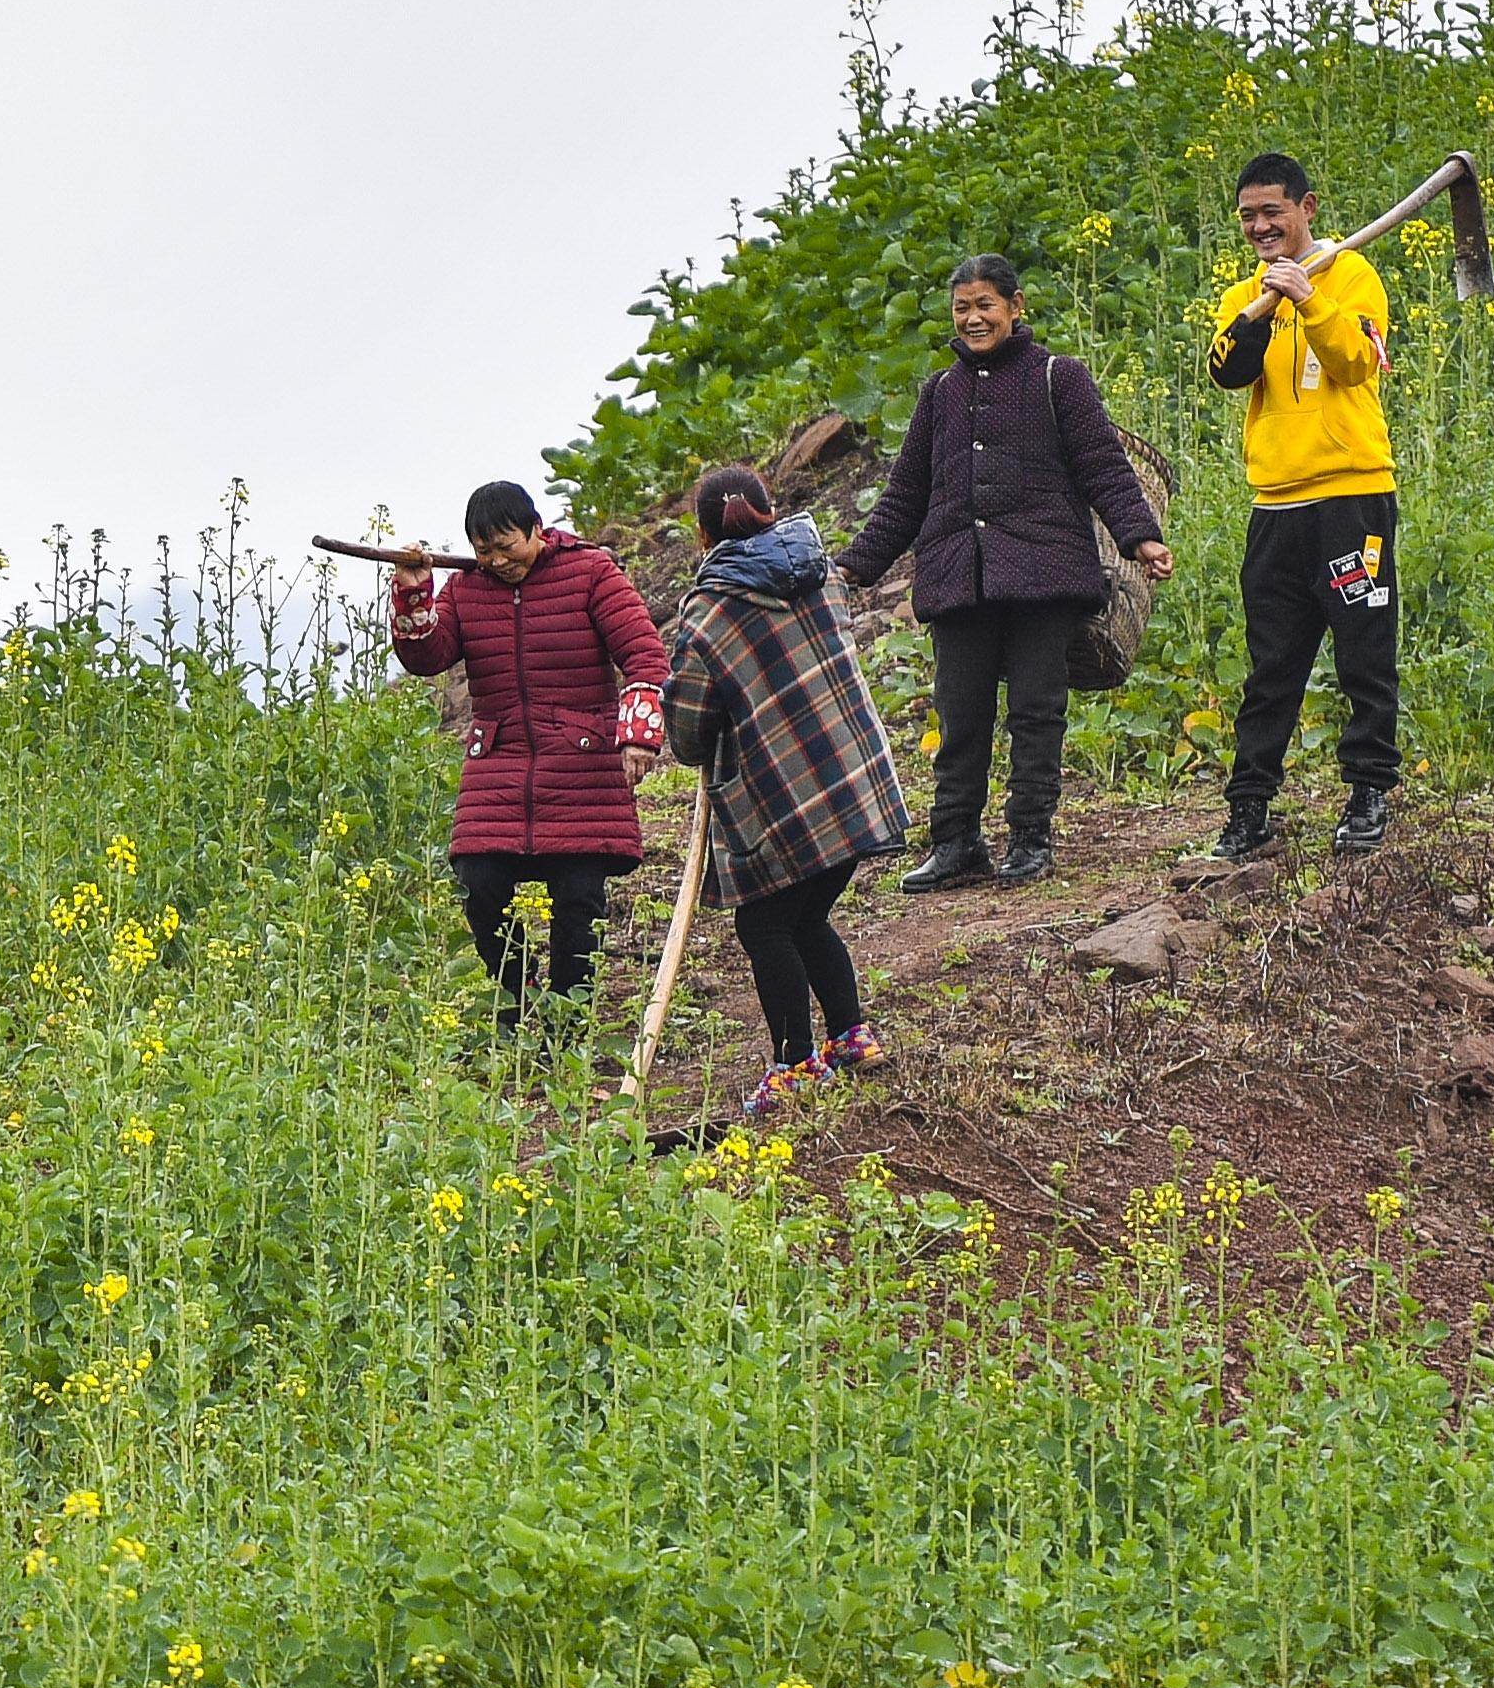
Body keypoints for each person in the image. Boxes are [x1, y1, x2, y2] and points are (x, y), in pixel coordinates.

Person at [828, 254, 1171, 890]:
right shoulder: (939, 393)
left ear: (1016, 307)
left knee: (1036, 714)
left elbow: (1103, 465)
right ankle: (956, 842)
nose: (973, 318)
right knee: (959, 716)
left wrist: (1140, 537)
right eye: (962, 308)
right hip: (961, 579)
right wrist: (852, 567)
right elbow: (905, 496)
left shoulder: (1057, 378)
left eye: (985, 305)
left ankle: (1030, 839)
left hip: (1043, 576)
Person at [663, 464, 914, 1116]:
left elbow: (688, 730)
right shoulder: (820, 572)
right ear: (772, 511)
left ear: (702, 534)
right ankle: (852, 1037)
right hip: (856, 782)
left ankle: (796, 1061)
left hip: (784, 802)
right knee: (805, 916)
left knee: (765, 921)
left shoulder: (710, 612)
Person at [389, 478, 670, 1028]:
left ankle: (567, 1024)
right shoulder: (466, 589)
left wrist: (637, 733)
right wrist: (416, 592)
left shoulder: (591, 572)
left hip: (581, 764)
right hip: (498, 763)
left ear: (536, 529)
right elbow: (427, 657)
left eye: (507, 545)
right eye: (484, 551)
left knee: (577, 898)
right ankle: (522, 995)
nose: (497, 561)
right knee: (479, 883)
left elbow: (643, 651)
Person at [1203, 150, 1402, 859]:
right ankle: (1250, 807)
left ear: (1306, 209)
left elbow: (1356, 361)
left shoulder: (1352, 275)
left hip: (1351, 497)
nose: (1260, 226)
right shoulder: (1241, 295)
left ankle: (1369, 792)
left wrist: (1311, 298)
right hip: (1276, 507)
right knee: (1271, 666)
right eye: (1249, 216)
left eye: (1272, 213)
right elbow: (1227, 370)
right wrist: (1268, 301)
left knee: (1364, 654)